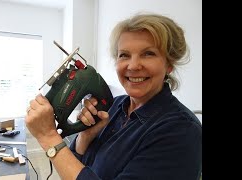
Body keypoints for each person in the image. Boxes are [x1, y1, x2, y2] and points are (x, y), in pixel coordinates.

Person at [25, 13, 202, 180]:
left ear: (169, 65)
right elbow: (76, 166)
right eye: (124, 55)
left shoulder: (181, 131)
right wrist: (85, 137)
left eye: (148, 54)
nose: (133, 66)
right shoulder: (115, 105)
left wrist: (48, 137)